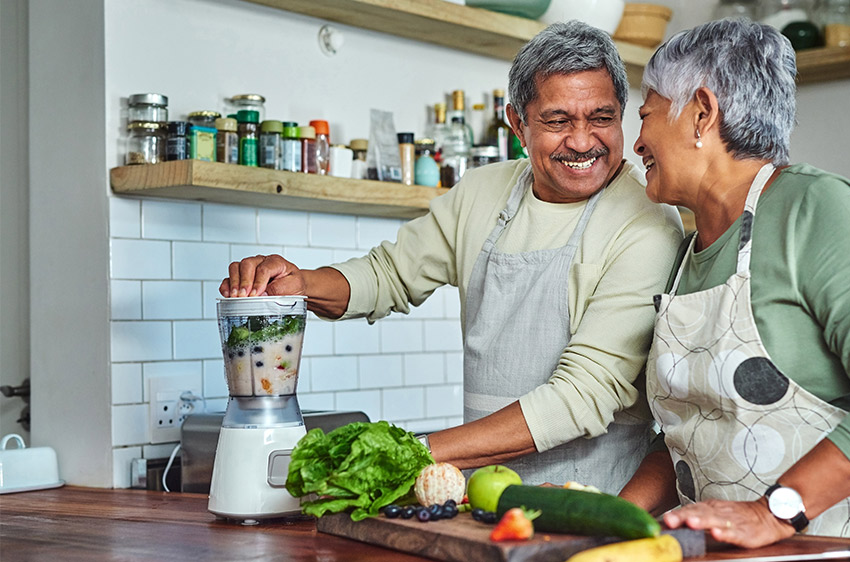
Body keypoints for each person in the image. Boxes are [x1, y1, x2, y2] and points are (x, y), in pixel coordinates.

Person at [221, 21, 685, 494]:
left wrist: (411, 453)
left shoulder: (646, 222)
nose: (583, 141)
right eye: (558, 121)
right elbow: (390, 275)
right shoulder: (484, 192)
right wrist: (301, 283)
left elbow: (582, 394)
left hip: (595, 505)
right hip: (478, 499)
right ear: (517, 125)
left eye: (602, 118)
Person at [617, 18, 850, 548]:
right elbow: (691, 439)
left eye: (647, 116)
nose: (637, 142)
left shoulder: (817, 208)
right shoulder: (685, 257)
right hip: (729, 552)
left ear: (702, 112)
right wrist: (604, 517)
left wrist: (773, 513)